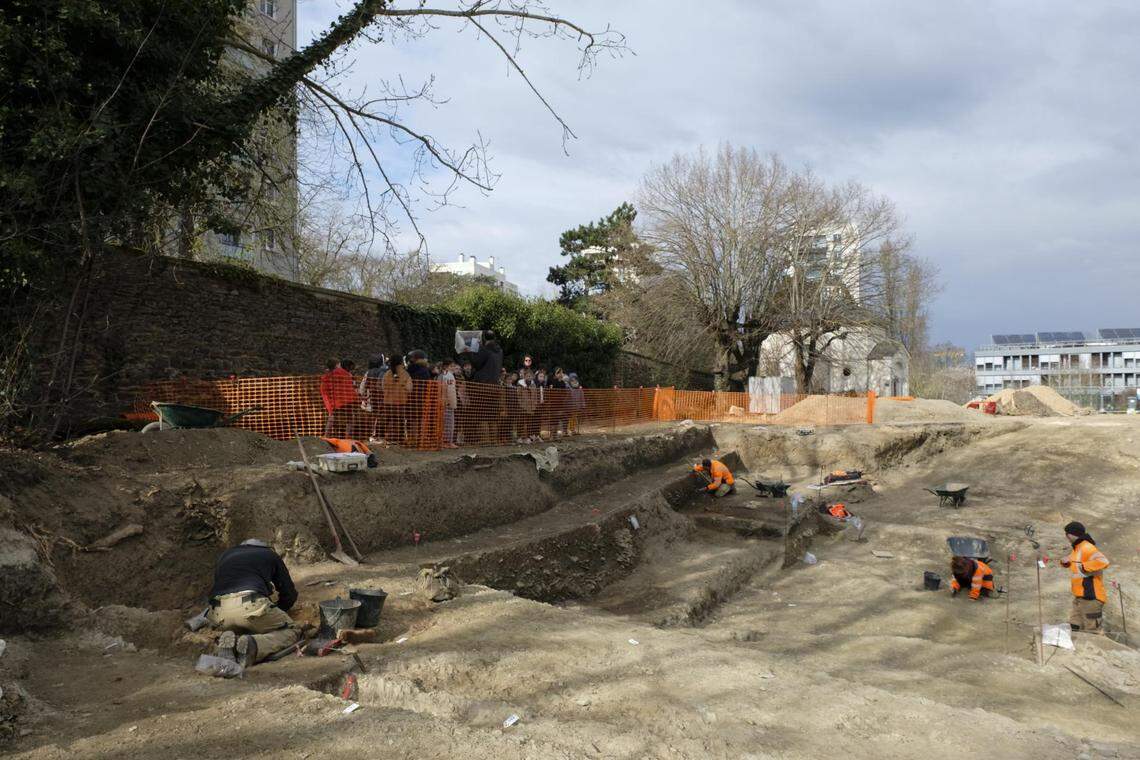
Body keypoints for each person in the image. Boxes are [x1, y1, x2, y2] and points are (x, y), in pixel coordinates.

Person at [207, 539, 302, 667]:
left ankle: (232, 641)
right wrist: (279, 609)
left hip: (219, 611)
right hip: (250, 604)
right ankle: (255, 645)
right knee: (293, 631)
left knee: (243, 627)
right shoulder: (269, 555)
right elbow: (289, 594)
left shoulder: (225, 556)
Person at [1059, 521, 1110, 634]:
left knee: (1092, 631)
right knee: (1074, 627)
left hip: (1091, 597)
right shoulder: (1077, 549)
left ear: (1070, 534)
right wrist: (1065, 563)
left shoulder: (1087, 547)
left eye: (1066, 534)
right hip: (1080, 596)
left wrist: (1084, 566)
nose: (1066, 537)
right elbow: (1074, 564)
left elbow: (1104, 561)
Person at [319, 359, 357, 436]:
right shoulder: (344, 373)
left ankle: (326, 436)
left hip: (334, 401)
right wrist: (355, 397)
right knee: (350, 417)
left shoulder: (327, 376)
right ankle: (348, 436)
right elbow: (350, 385)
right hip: (346, 399)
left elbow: (324, 390)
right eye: (339, 364)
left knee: (331, 417)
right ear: (336, 365)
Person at [381, 357, 412, 444]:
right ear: (401, 363)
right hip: (401, 401)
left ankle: (388, 437)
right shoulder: (405, 374)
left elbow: (383, 387)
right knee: (399, 420)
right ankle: (399, 438)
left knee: (389, 419)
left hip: (387, 401)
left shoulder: (386, 374)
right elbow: (409, 388)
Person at [439, 360, 459, 449]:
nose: (454, 368)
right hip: (447, 403)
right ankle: (447, 442)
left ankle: (446, 441)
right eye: (452, 366)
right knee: (448, 423)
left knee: (448, 423)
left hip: (448, 402)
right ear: (446, 367)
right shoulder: (447, 375)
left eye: (454, 366)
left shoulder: (446, 375)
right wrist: (447, 400)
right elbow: (445, 389)